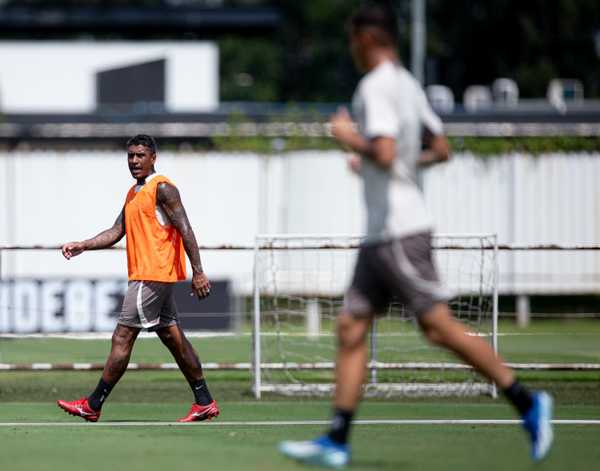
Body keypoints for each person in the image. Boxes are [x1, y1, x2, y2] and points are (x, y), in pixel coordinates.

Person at [279, 3, 552, 468]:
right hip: (381, 233)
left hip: (398, 233)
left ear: (368, 38)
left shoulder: (377, 87)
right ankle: (337, 441)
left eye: (353, 40)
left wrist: (352, 140)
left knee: (437, 327)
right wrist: (382, 159)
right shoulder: (409, 85)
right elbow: (439, 149)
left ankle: (527, 402)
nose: (351, 50)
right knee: (350, 326)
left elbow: (384, 152)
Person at [57, 134, 219, 423]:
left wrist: (198, 271)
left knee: (122, 335)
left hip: (151, 277)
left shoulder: (163, 188)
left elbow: (187, 230)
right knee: (173, 337)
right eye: (130, 155)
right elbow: (115, 231)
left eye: (140, 155)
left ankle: (93, 404)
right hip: (153, 277)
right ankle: (204, 401)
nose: (134, 161)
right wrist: (83, 244)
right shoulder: (133, 193)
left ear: (153, 157)